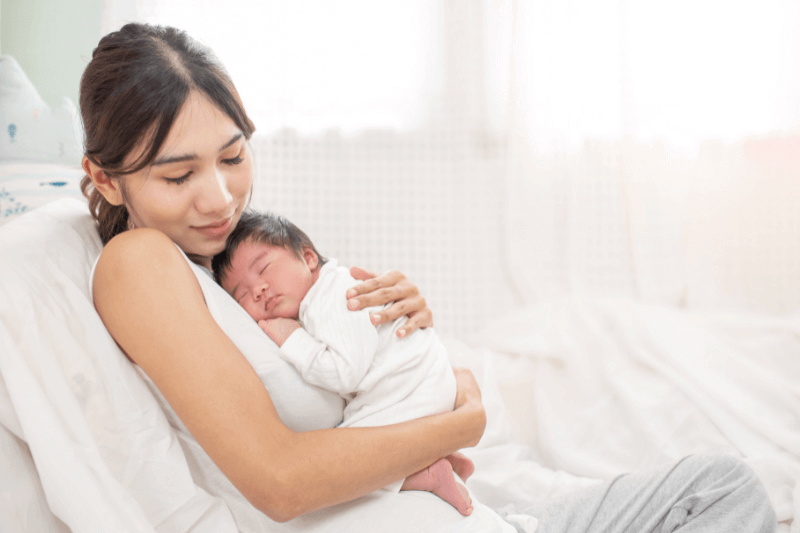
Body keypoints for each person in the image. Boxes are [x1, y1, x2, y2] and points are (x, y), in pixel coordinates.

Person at [80, 22, 778, 533]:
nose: (218, 198)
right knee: (722, 492)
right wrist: (459, 417)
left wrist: (401, 337)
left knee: (726, 483)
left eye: (232, 158)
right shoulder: (141, 263)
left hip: (461, 510)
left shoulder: (217, 261)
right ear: (104, 180)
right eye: (177, 174)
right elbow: (280, 479)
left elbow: (326, 378)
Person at [212, 210, 475, 516]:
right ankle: (432, 460)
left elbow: (344, 374)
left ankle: (423, 474)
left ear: (309, 258)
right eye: (240, 294)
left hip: (410, 396)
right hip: (417, 394)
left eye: (264, 268)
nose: (257, 290)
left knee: (339, 469)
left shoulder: (336, 295)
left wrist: (293, 338)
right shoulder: (318, 300)